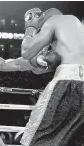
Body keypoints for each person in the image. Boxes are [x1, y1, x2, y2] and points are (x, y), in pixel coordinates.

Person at [20, 8, 84, 146]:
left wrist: (30, 26)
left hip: (68, 83)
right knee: (73, 140)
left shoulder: (53, 20)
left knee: (37, 139)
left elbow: (25, 51)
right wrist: (39, 59)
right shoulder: (76, 28)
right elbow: (39, 69)